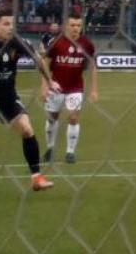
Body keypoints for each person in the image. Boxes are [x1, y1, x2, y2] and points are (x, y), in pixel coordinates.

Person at [0, 9, 56, 190]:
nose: (11, 27)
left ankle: (37, 178)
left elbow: (38, 59)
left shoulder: (17, 42)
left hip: (7, 98)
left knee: (27, 129)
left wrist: (50, 81)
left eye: (13, 23)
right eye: (6, 23)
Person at [42, 13, 97, 164]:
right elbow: (45, 64)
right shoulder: (56, 42)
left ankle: (70, 152)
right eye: (72, 25)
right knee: (52, 118)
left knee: (73, 118)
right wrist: (45, 86)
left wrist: (94, 90)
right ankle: (50, 148)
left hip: (75, 88)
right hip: (56, 87)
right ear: (66, 25)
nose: (75, 28)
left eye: (78, 25)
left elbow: (92, 66)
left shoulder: (87, 44)